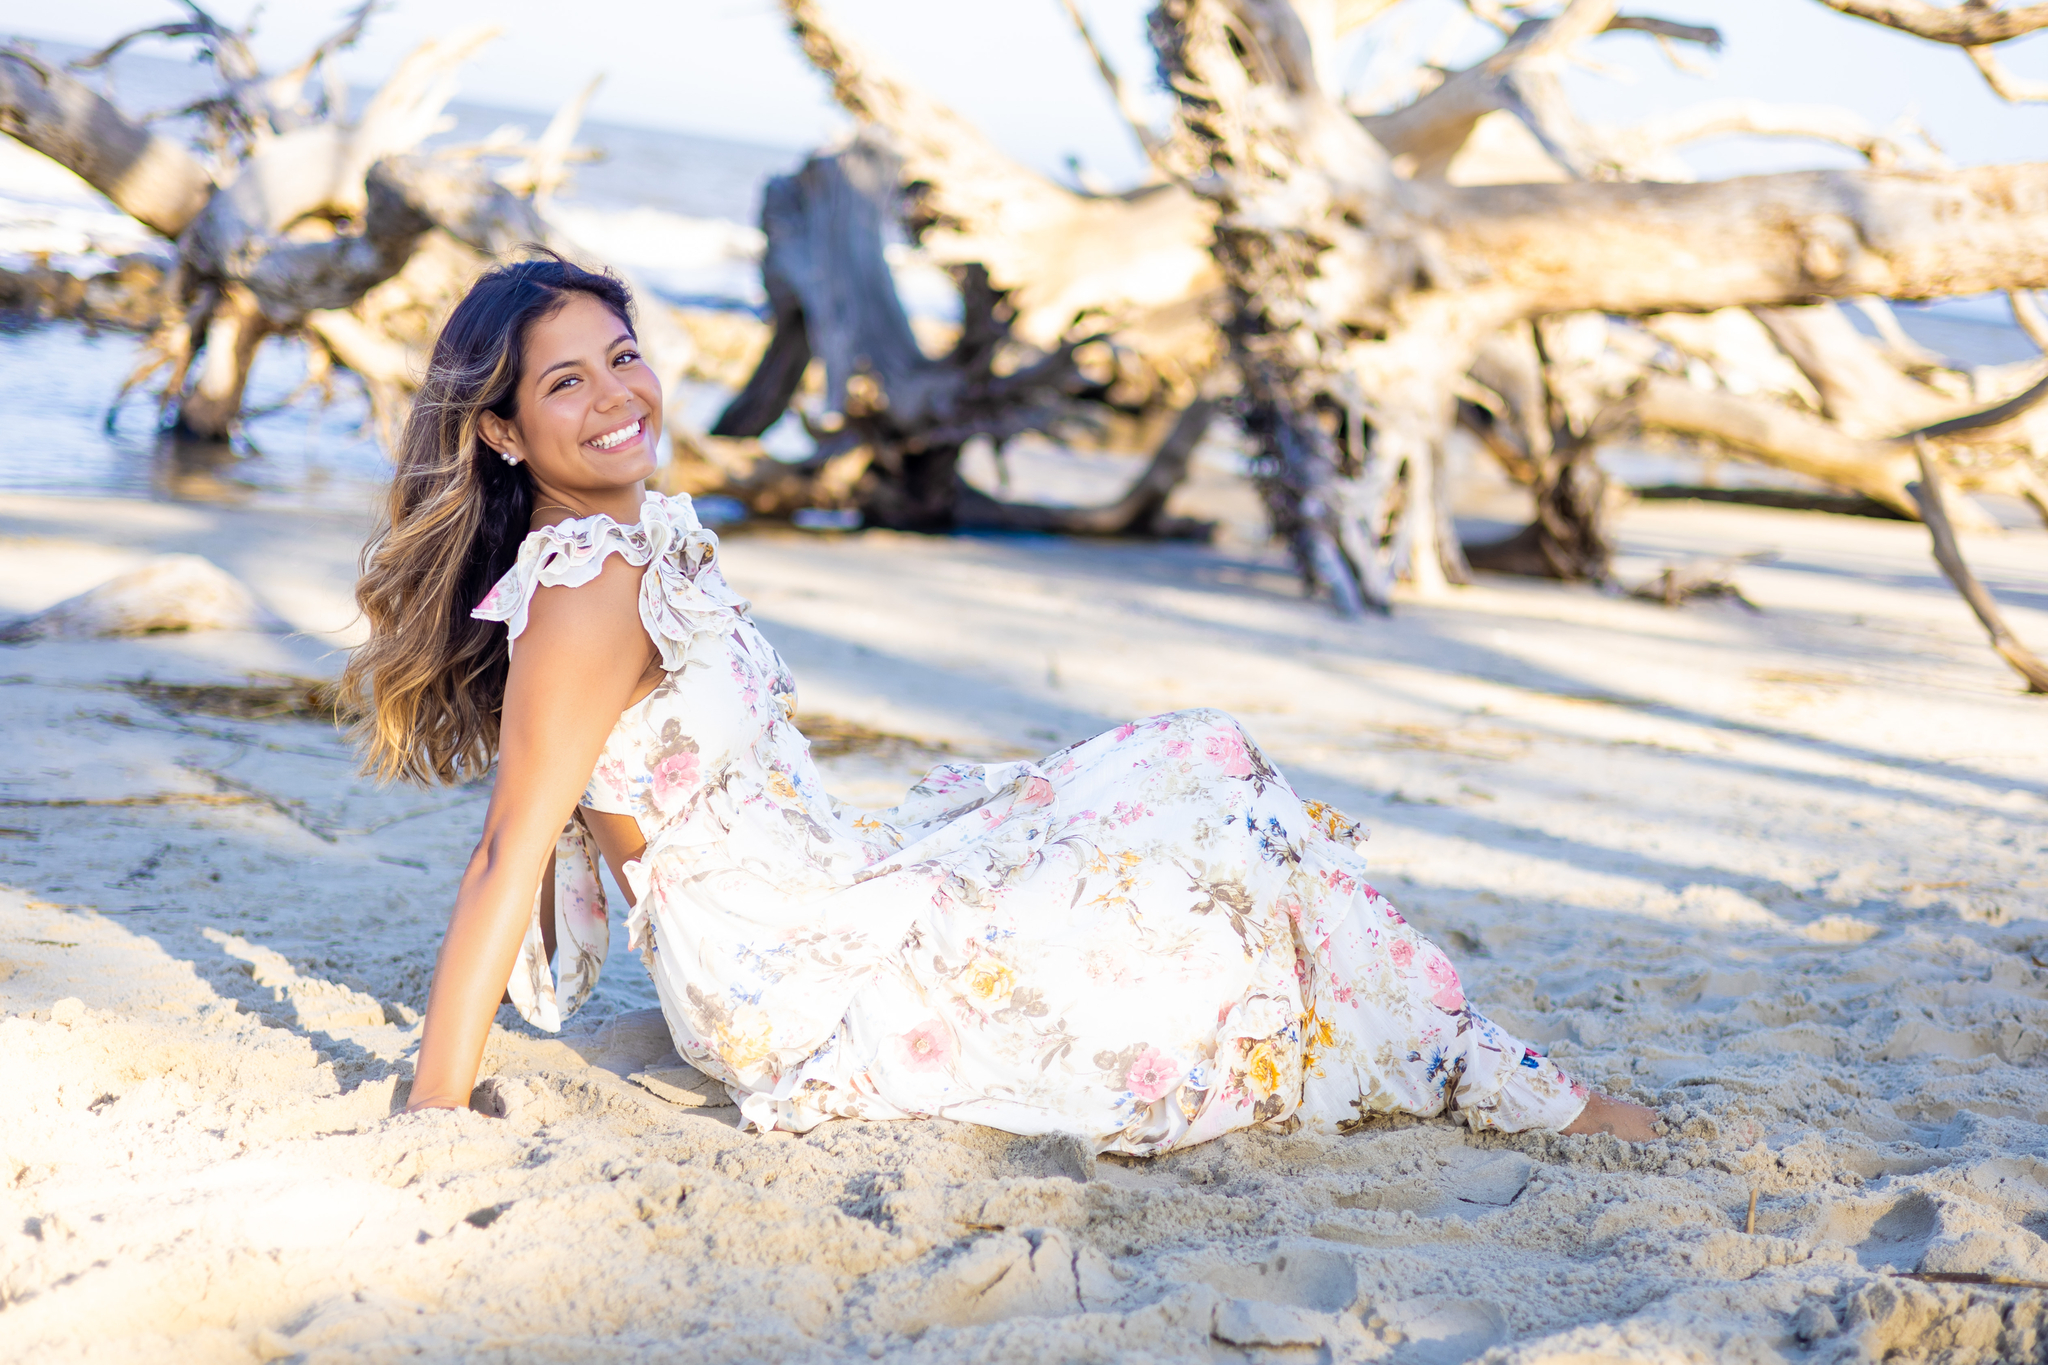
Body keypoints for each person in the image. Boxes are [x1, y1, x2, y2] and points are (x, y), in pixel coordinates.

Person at [345, 255, 1660, 1152]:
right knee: (1210, 836)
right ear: (505, 431)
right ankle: (1494, 1083)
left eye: (620, 355)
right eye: (564, 382)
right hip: (791, 970)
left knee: (1202, 769)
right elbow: (509, 850)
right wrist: (438, 1108)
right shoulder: (585, 586)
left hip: (839, 877)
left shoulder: (639, 542)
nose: (618, 395)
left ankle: (1470, 1067)